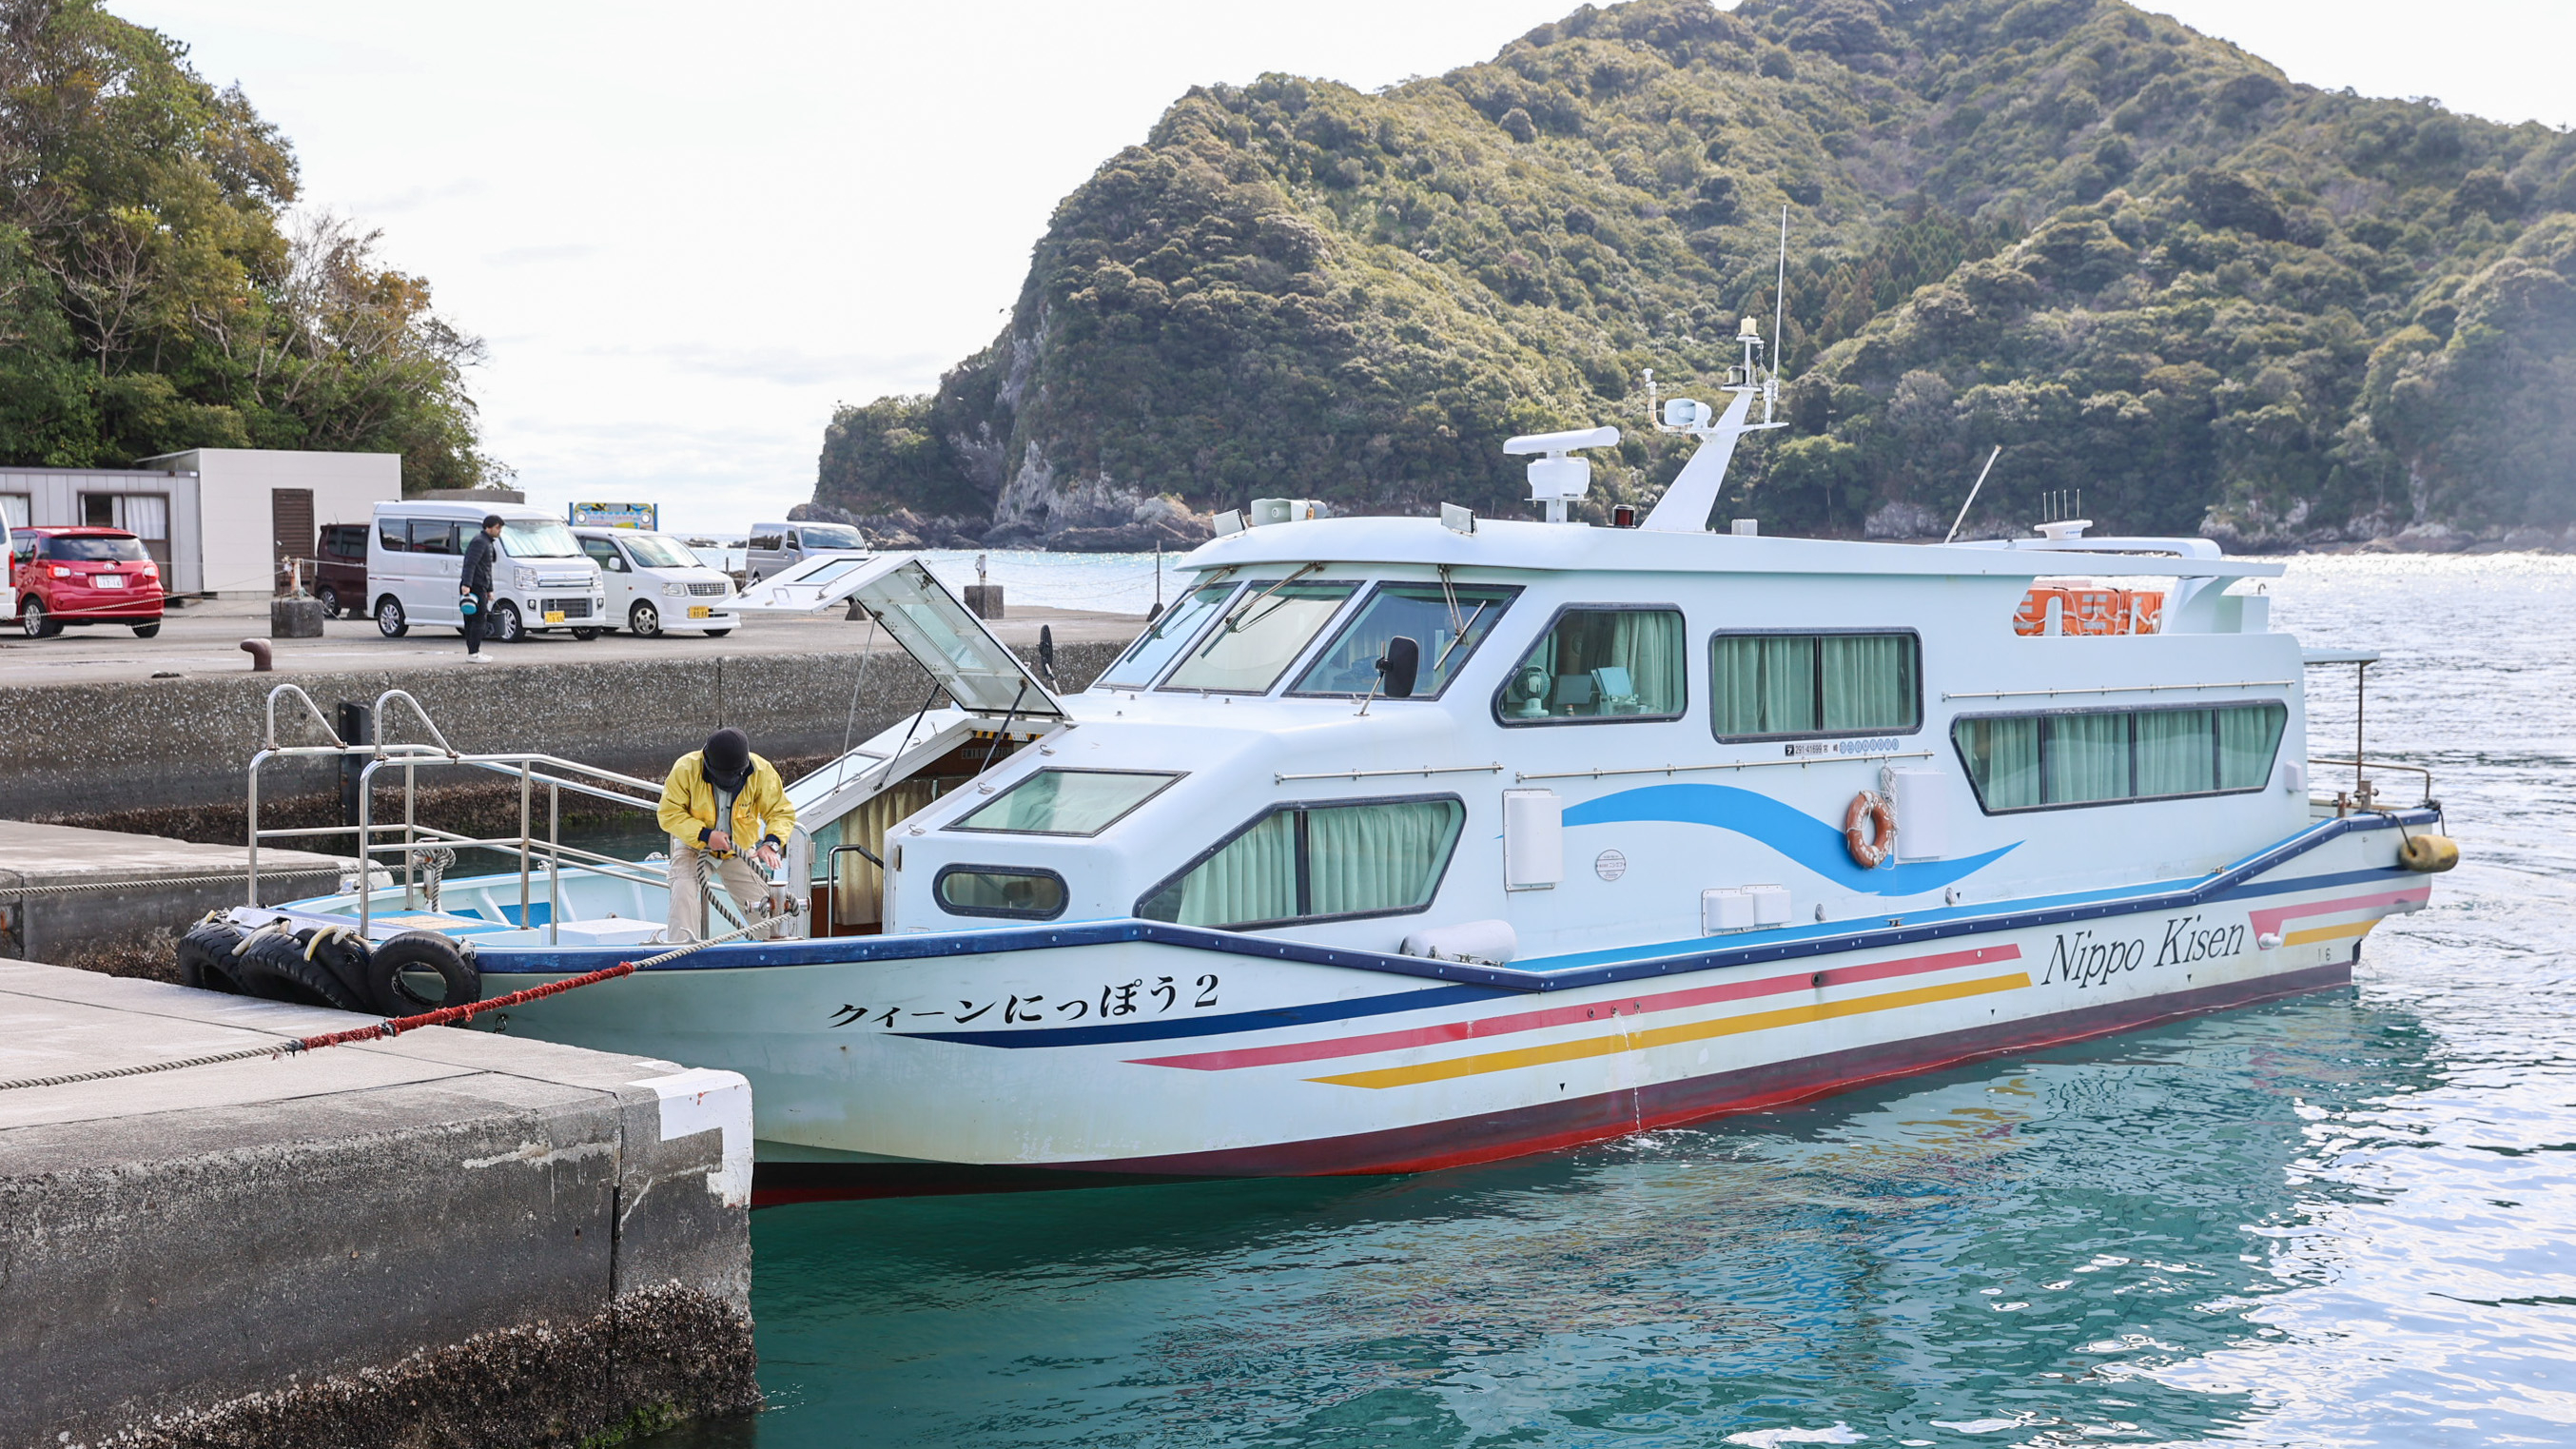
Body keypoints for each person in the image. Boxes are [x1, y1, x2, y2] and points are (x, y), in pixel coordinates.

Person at [657, 727, 798, 942]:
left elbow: (781, 811)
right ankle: (681, 951)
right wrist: (705, 835)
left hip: (739, 851)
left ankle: (773, 952)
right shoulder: (685, 769)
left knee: (766, 913)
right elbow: (669, 814)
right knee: (683, 891)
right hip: (694, 847)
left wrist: (772, 843)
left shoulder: (762, 771)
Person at [459, 514, 502, 659]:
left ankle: (474, 651)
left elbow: (487, 568)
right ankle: (473, 652)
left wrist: (490, 589)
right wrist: (466, 584)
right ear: (488, 527)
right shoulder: (480, 541)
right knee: (477, 619)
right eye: (497, 527)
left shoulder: (487, 542)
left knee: (477, 619)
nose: (499, 531)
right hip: (475, 586)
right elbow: (470, 563)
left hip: (481, 585)